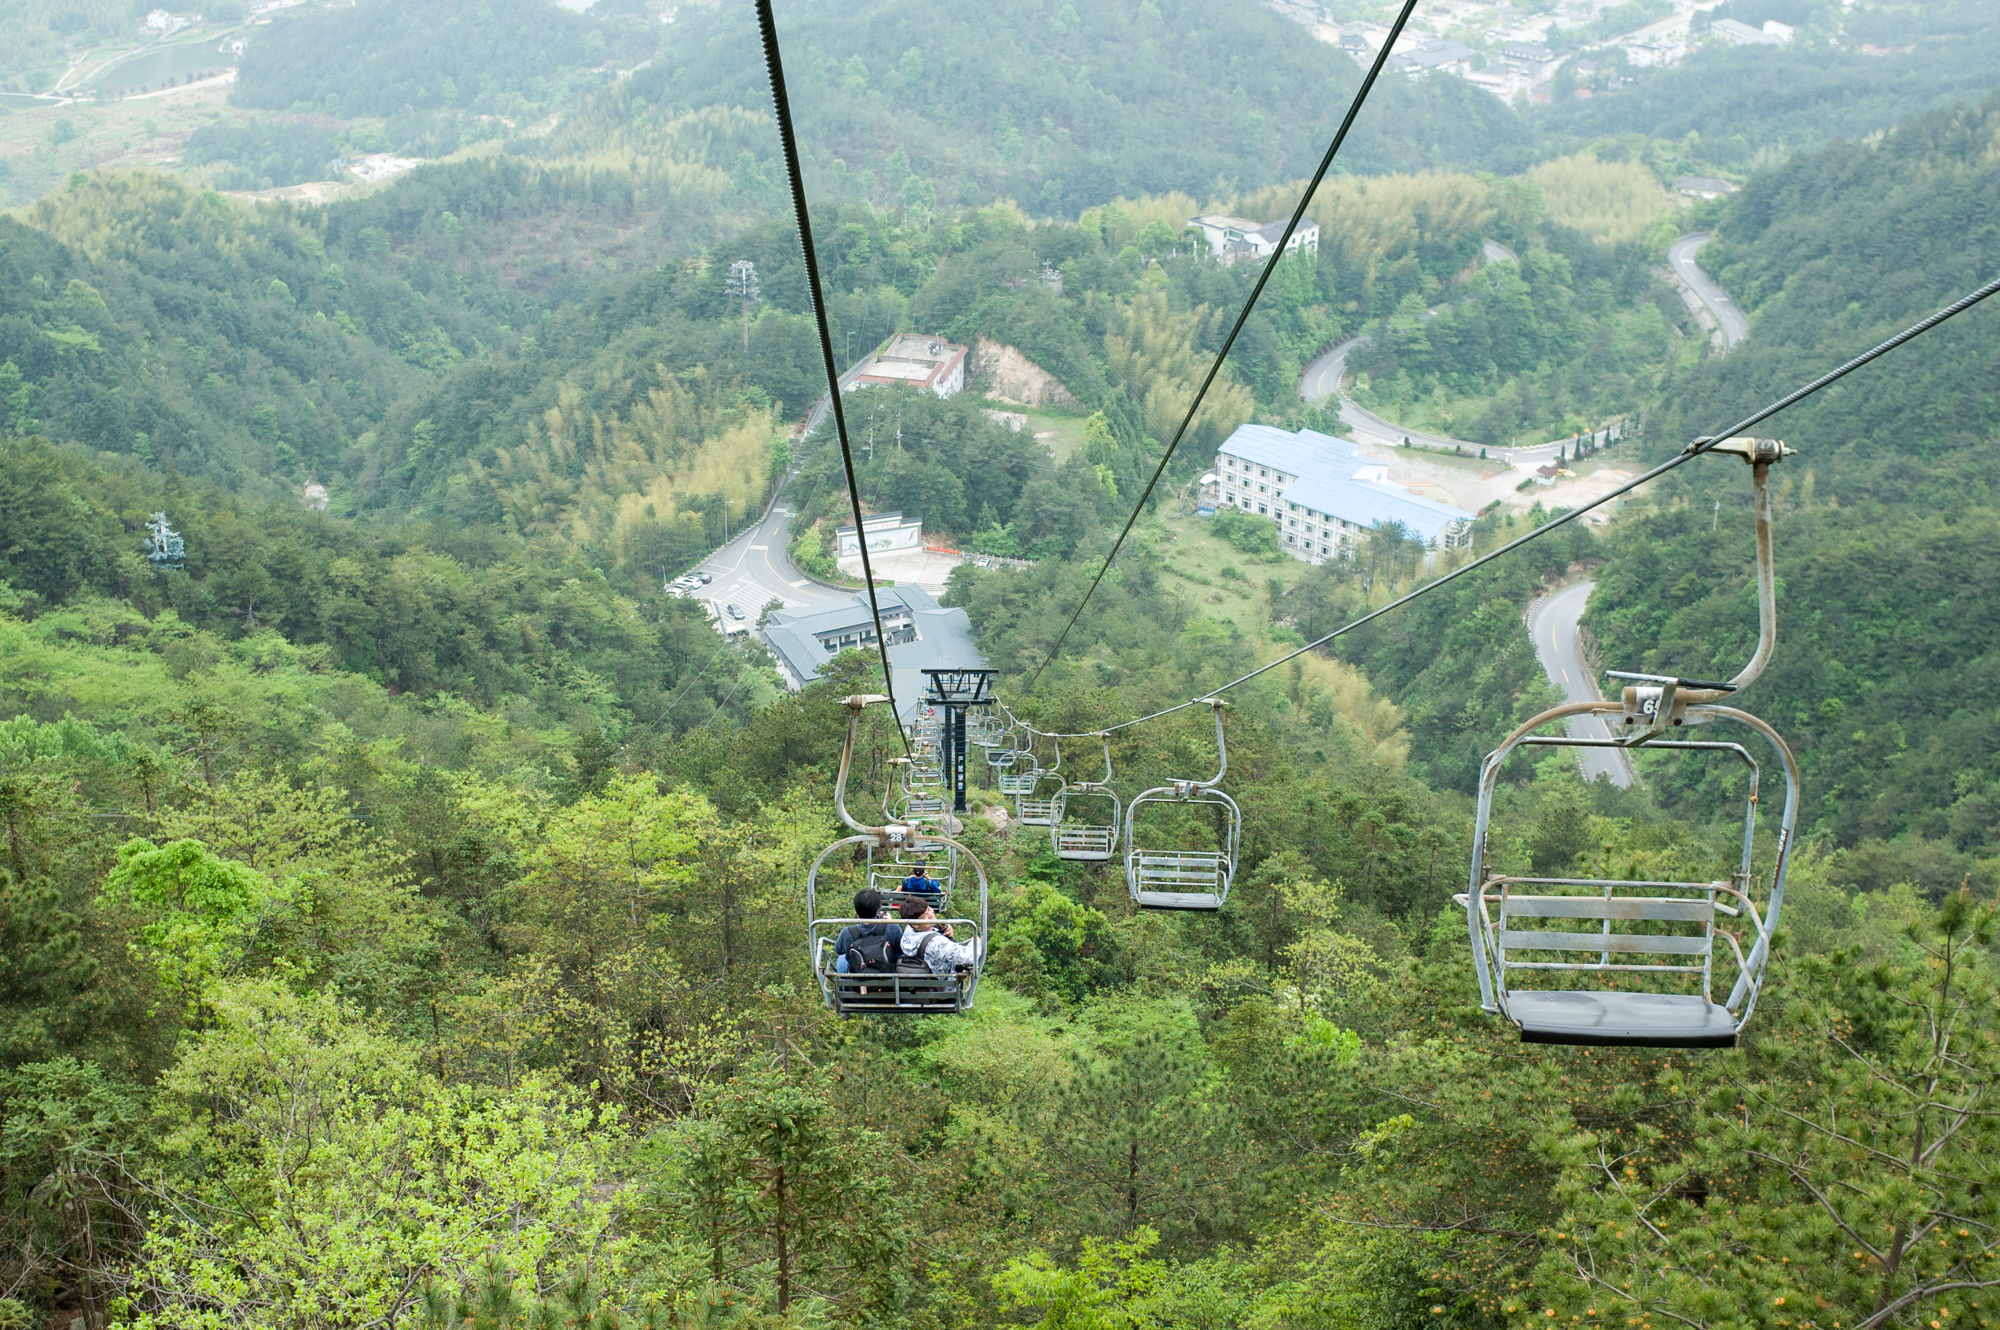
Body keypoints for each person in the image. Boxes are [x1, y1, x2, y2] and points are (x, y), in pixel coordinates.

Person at [896, 897, 981, 975]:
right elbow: (967, 957)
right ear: (915, 924)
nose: (931, 915)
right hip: (945, 984)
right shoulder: (936, 943)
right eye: (925, 916)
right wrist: (976, 942)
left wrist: (943, 928)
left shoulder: (909, 932)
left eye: (929, 909)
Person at [833, 888, 902, 974]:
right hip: (888, 978)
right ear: (878, 909)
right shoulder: (892, 927)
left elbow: (838, 949)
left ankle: (844, 985)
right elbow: (900, 948)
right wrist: (890, 922)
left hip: (858, 980)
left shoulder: (847, 932)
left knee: (842, 958)